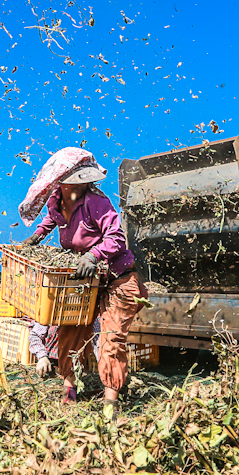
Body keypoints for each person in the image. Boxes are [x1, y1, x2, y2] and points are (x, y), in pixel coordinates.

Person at [20, 151, 148, 419]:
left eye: (83, 182)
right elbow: (50, 221)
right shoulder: (57, 201)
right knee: (69, 333)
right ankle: (70, 392)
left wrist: (93, 255)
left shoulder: (96, 202)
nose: (80, 186)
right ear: (61, 183)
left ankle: (110, 406)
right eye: (74, 182)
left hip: (117, 279)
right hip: (86, 281)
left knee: (111, 340)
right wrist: (34, 239)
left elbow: (116, 237)